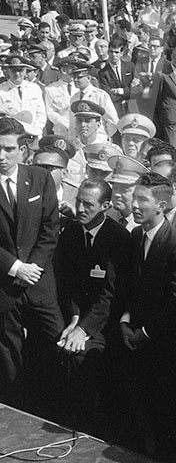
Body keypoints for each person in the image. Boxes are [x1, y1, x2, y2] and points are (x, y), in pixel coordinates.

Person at [116, 171, 176, 462]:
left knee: (166, 411)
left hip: (166, 347)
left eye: (143, 200)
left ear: (161, 206)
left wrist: (146, 332)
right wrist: (126, 321)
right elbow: (132, 287)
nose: (135, 205)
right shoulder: (136, 235)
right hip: (137, 340)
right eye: (134, 198)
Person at [53, 178, 129, 436]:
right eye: (78, 202)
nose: (81, 209)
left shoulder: (118, 238)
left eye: (89, 204)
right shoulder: (72, 233)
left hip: (106, 321)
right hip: (78, 315)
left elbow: (110, 294)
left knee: (81, 357)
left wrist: (83, 329)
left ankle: (91, 430)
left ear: (106, 206)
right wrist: (74, 318)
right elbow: (68, 282)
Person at [0, 116, 62, 413]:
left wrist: (32, 267)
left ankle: (57, 412)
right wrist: (15, 267)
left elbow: (50, 227)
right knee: (8, 356)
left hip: (39, 282)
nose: (2, 156)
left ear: (22, 150)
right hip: (4, 285)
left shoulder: (39, 178)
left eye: (9, 149)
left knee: (54, 343)